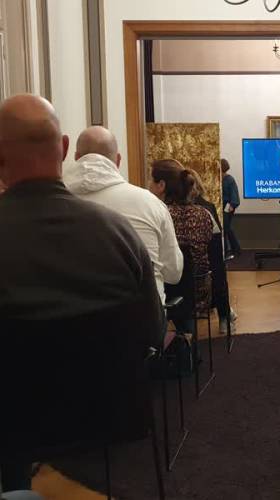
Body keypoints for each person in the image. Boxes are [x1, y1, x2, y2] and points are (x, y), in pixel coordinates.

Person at [0, 95, 163, 492]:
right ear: (63, 148)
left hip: (13, 421)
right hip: (112, 414)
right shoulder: (119, 233)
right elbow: (153, 331)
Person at [63, 126, 183, 305]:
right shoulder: (150, 203)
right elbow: (173, 273)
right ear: (118, 160)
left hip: (73, 314)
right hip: (142, 314)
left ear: (76, 157)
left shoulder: (52, 202)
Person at [149, 159, 214, 336]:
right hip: (199, 288)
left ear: (161, 186)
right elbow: (211, 251)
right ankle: (186, 339)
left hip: (169, 289)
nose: (148, 186)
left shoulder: (160, 213)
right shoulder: (204, 214)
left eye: (150, 181)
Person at [189, 169, 238, 333]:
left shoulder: (206, 208)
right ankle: (225, 315)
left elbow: (216, 241)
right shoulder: (171, 209)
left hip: (203, 264)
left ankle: (224, 315)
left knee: (217, 271)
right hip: (191, 267)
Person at [221, 158, 241, 259]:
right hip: (221, 207)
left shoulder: (229, 180)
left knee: (226, 228)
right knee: (225, 228)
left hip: (228, 206)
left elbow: (234, 195)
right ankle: (230, 249)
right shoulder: (218, 179)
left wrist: (232, 206)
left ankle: (233, 249)